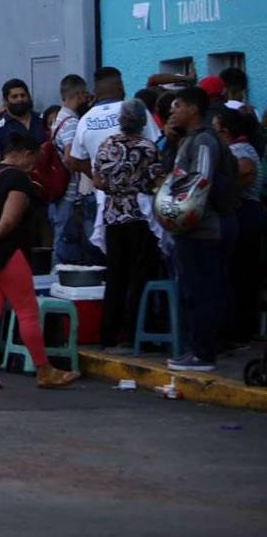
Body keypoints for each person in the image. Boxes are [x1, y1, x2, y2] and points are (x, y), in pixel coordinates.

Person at [0, 134, 81, 390]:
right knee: (27, 311)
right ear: (26, 154)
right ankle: (44, 369)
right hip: (8, 253)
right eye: (35, 158)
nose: (35, 164)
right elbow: (9, 221)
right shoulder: (18, 179)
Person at [164, 87, 238, 371]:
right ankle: (195, 348)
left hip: (202, 229)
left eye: (177, 106)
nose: (172, 111)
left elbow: (200, 181)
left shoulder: (204, 141)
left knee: (201, 292)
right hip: (191, 229)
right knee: (191, 292)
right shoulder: (189, 139)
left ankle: (203, 353)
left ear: (193, 109)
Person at [92, 100, 164, 353]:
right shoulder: (148, 148)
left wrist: (115, 188)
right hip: (139, 216)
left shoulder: (107, 145)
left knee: (115, 276)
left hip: (113, 215)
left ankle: (108, 334)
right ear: (143, 122)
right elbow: (157, 181)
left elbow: (98, 181)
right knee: (139, 276)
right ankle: (135, 333)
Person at [69, 67, 161, 256]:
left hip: (106, 204)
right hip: (142, 206)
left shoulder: (85, 120)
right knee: (144, 260)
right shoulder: (134, 109)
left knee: (114, 260)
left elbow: (74, 160)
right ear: (119, 85)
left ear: (96, 90)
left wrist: (102, 177)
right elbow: (156, 146)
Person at [212, 107, 263, 345]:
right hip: (246, 213)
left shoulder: (239, 150)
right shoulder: (242, 147)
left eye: (216, 128)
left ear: (226, 131)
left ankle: (240, 330)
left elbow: (245, 171)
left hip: (245, 214)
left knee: (240, 274)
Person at [51, 73, 94, 266]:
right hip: (69, 192)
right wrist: (90, 173)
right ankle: (58, 274)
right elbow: (70, 157)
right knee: (65, 239)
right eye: (85, 95)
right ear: (79, 94)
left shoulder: (60, 118)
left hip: (61, 190)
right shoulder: (71, 122)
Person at [0, 78, 46, 152]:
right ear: (5, 101)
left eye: (23, 95)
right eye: (14, 97)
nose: (20, 99)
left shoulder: (43, 119)